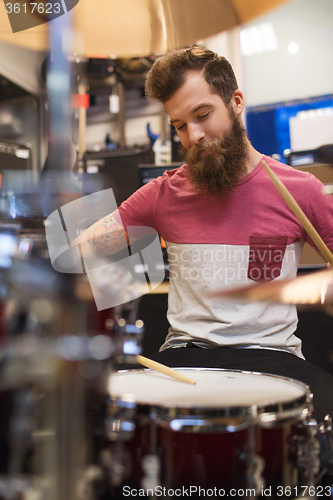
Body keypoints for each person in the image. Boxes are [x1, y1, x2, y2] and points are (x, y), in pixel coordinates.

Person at [77, 46, 333, 427]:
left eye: (202, 115)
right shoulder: (164, 193)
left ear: (236, 102)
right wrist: (122, 284)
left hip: (272, 356)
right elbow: (85, 250)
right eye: (180, 125)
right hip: (184, 355)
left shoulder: (300, 189)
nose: (193, 136)